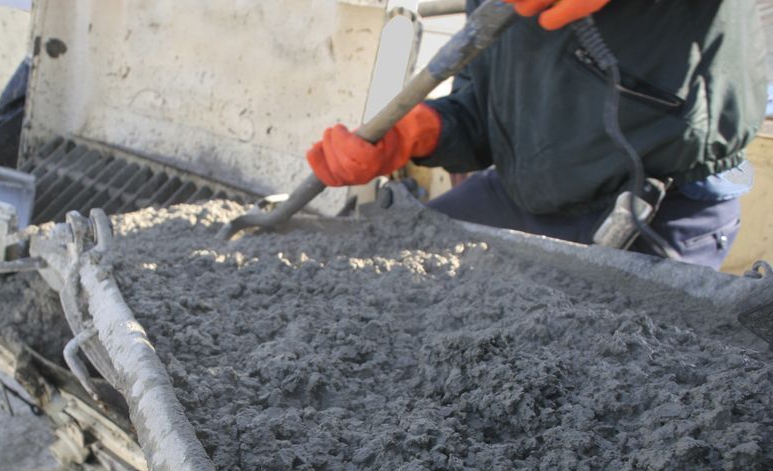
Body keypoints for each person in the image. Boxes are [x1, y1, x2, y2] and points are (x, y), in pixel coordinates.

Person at [306, 0, 767, 269]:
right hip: (521, 190)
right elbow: (482, 107)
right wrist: (415, 133)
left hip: (661, 204)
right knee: (371, 266)